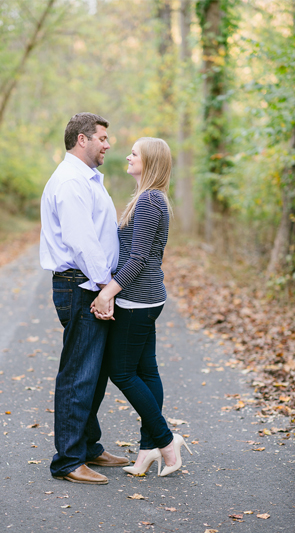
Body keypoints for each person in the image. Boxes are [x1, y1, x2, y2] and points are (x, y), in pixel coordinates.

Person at [40, 112, 131, 485]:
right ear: (83, 139)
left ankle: (89, 446)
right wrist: (104, 286)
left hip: (89, 283)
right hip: (82, 285)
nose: (108, 145)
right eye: (103, 138)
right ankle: (67, 461)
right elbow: (82, 241)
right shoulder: (70, 182)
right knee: (79, 374)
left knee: (93, 373)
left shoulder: (87, 179)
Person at [91, 137, 185, 477]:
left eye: (134, 153)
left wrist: (108, 293)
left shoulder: (148, 201)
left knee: (123, 373)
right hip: (147, 297)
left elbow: (140, 258)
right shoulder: (151, 198)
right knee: (147, 372)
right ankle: (147, 451)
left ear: (150, 161)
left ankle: (165, 439)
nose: (127, 156)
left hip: (137, 300)